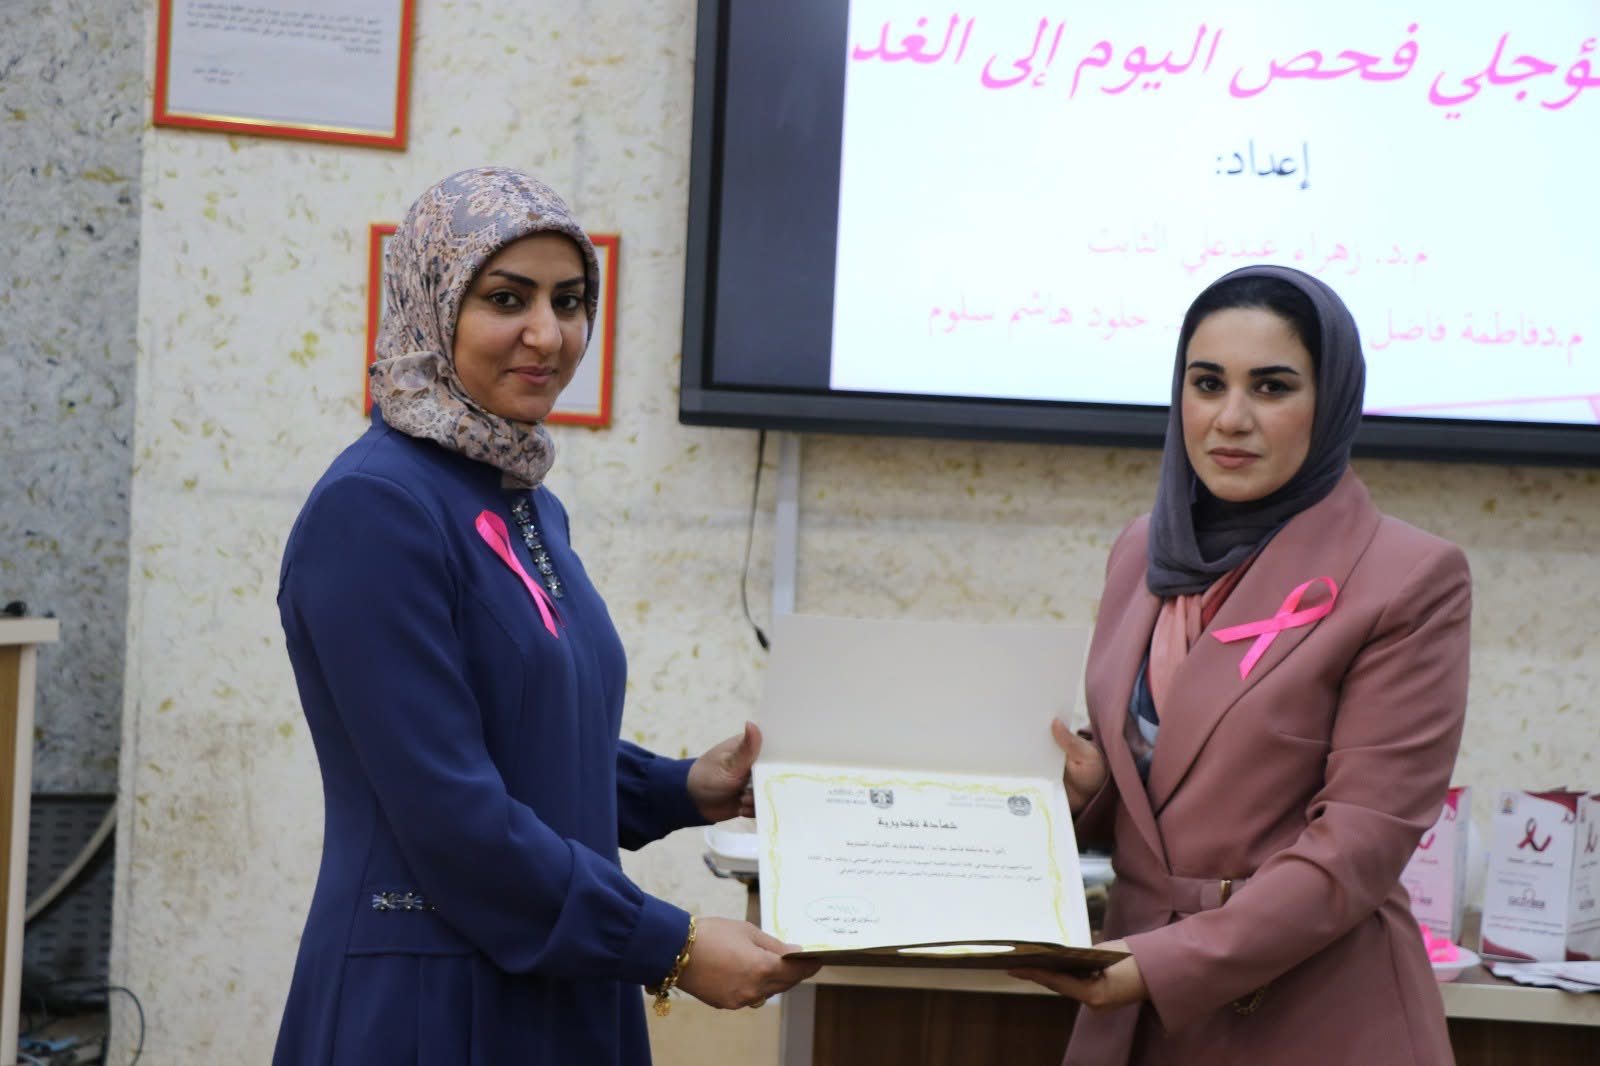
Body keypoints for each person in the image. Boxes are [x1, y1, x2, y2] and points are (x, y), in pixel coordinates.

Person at [271, 167, 817, 1066]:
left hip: (555, 977)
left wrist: (683, 787)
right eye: (505, 298)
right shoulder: (374, 508)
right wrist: (673, 946)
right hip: (433, 1001)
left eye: (569, 301)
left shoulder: (521, 500)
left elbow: (527, 737)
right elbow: (450, 811)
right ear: (432, 306)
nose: (548, 333)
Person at [1014, 265, 1471, 1065]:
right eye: (1207, 384)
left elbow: (1359, 846)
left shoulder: (1408, 577)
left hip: (1309, 1011)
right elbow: (1164, 779)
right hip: (1131, 999)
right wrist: (1089, 794)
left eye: (1271, 387)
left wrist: (1163, 965)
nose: (1230, 418)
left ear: (1330, 402)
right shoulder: (1143, 551)